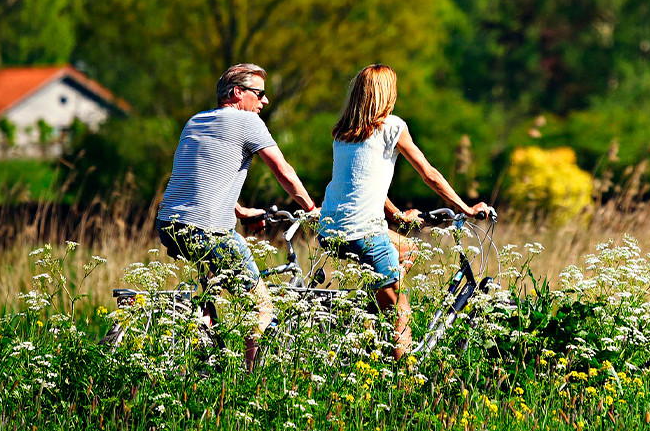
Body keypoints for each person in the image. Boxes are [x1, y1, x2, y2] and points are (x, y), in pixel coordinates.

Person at [318, 64, 490, 360]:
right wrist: (466, 208)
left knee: (407, 247)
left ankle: (371, 316)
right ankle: (405, 382)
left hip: (330, 227)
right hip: (364, 231)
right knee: (402, 309)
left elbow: (361, 184)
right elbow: (429, 174)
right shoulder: (392, 126)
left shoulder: (343, 133)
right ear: (386, 95)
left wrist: (396, 215)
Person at [156, 63, 317, 369]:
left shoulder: (195, 121)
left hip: (169, 224)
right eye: (259, 94)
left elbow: (202, 178)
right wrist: (310, 208)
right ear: (237, 93)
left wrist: (241, 211)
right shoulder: (246, 122)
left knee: (208, 298)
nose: (264, 101)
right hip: (206, 230)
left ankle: (206, 360)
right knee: (261, 308)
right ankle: (249, 382)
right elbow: (283, 171)